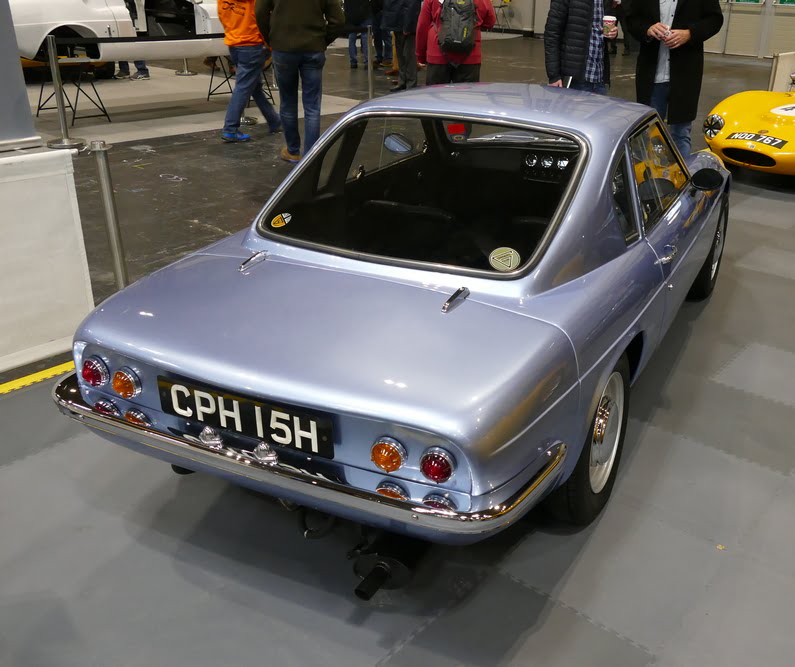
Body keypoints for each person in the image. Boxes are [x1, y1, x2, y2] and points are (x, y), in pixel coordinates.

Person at [627, 0, 723, 156]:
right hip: (652, 74)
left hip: (685, 73)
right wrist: (647, 29)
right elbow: (631, 20)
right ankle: (645, 177)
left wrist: (690, 33)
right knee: (646, 133)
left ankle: (681, 178)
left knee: (680, 133)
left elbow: (714, 20)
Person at [255, 0, 345, 163]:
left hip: (283, 48)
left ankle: (293, 151)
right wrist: (322, 41)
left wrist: (272, 39)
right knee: (312, 106)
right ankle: (310, 157)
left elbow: (260, 12)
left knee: (288, 102)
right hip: (313, 48)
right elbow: (338, 19)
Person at [218, 0, 281, 143]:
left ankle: (274, 120)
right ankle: (230, 129)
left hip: (234, 43)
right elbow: (262, 16)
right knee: (244, 86)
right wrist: (268, 44)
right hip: (252, 44)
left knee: (255, 86)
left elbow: (222, 15)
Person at [544, 0, 619, 94]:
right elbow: (552, 34)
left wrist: (613, 33)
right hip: (574, 78)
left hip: (599, 77)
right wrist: (554, 76)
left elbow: (602, 29)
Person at [416, 0, 495, 85]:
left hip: (438, 53)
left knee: (436, 95)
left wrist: (420, 57)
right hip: (469, 54)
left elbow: (422, 26)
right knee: (465, 96)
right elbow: (490, 22)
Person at [383, 0, 422, 92]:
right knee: (401, 56)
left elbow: (413, 6)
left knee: (409, 56)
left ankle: (410, 83)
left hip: (407, 25)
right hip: (398, 23)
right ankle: (403, 81)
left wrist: (408, 26)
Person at [345, 0, 373, 68]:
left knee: (352, 38)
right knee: (365, 38)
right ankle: (367, 62)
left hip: (351, 15)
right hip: (364, 14)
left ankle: (353, 62)